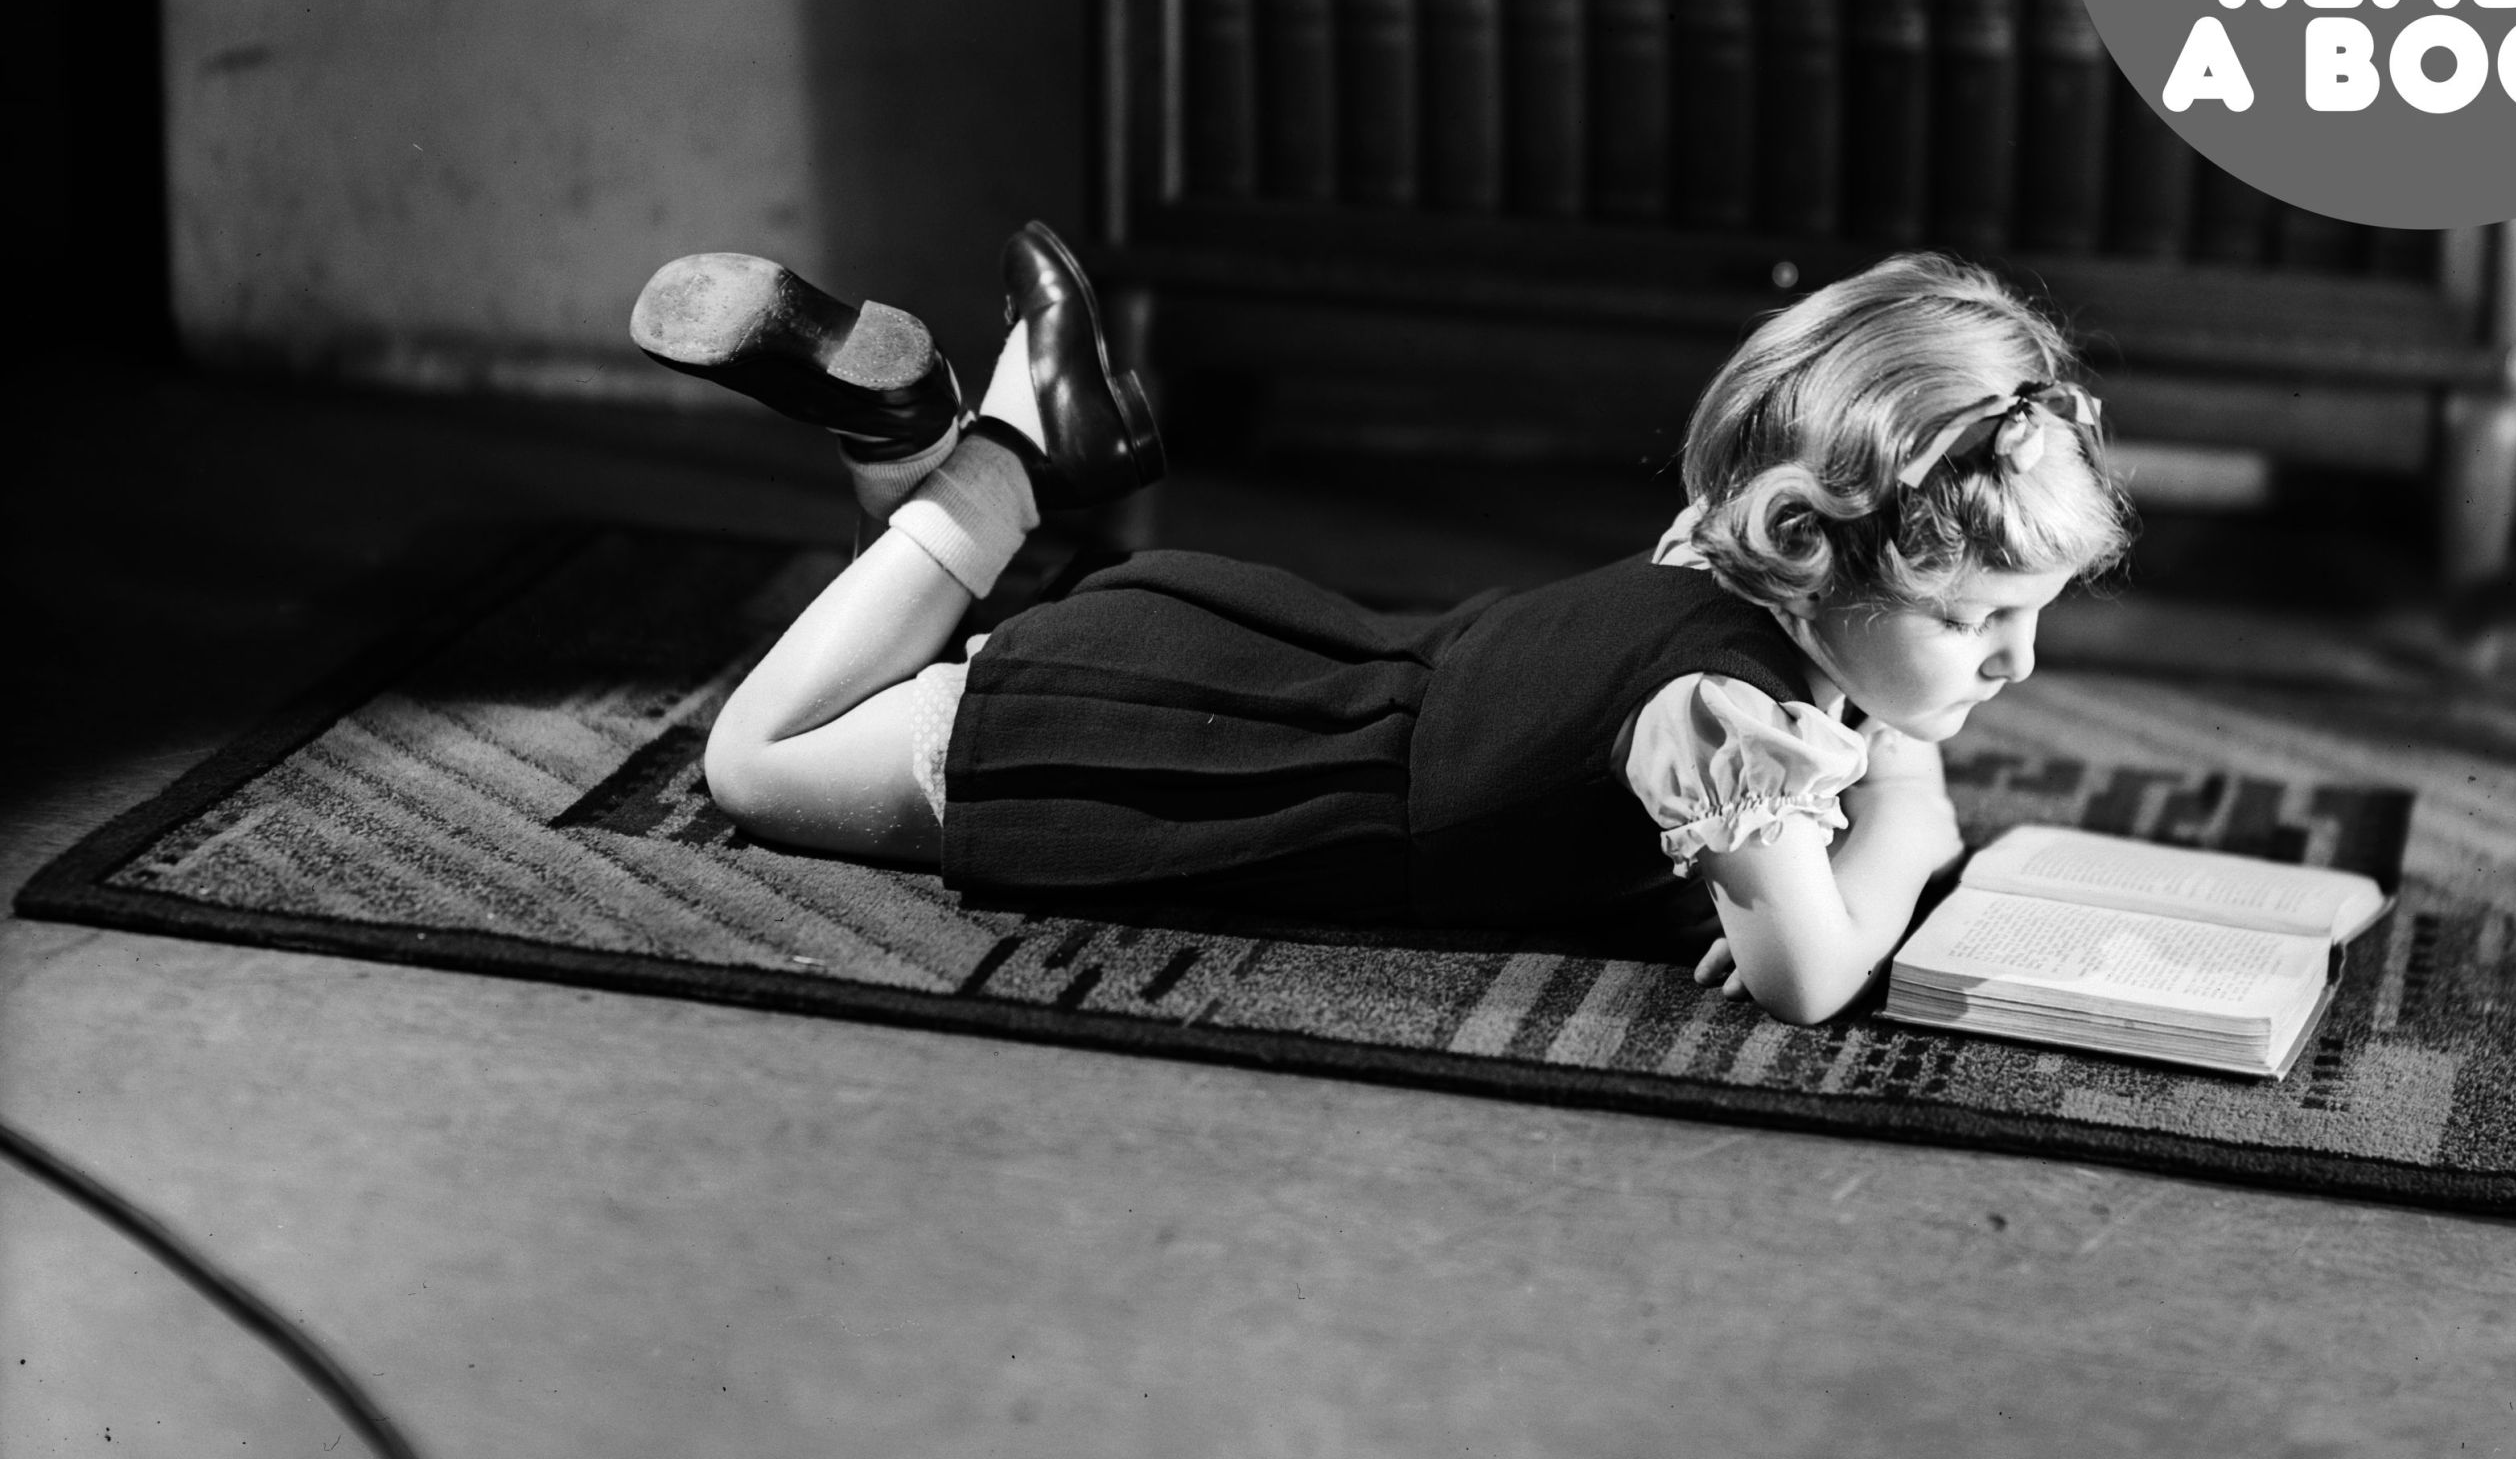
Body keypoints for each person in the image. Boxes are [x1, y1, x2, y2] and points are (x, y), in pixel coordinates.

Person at [629, 226, 2132, 1026]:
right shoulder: (1724, 722)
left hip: (1256, 676)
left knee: (938, 647)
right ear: (1807, 554)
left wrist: (1877, 759)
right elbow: (1811, 980)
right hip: (1206, 774)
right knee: (761, 761)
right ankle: (1006, 465)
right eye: (1974, 616)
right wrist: (1908, 822)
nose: (2018, 664)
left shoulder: (1726, 569)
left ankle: (922, 448)